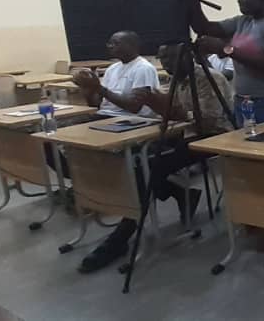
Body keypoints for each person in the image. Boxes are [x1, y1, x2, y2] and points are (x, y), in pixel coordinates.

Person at [75, 40, 228, 274]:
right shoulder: (174, 81)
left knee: (149, 169)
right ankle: (179, 193)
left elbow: (209, 121)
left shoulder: (209, 79)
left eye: (171, 57)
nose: (165, 63)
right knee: (135, 161)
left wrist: (167, 108)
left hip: (212, 137)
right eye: (162, 58)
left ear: (187, 57)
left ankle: (121, 237)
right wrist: (160, 107)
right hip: (182, 134)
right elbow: (169, 114)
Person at [71, 31, 159, 118]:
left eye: (116, 43)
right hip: (105, 114)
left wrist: (98, 88)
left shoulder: (143, 68)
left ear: (132, 46)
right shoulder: (112, 68)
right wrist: (88, 89)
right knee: (67, 122)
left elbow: (134, 107)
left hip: (131, 118)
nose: (110, 46)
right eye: (109, 43)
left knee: (71, 123)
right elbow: (96, 105)